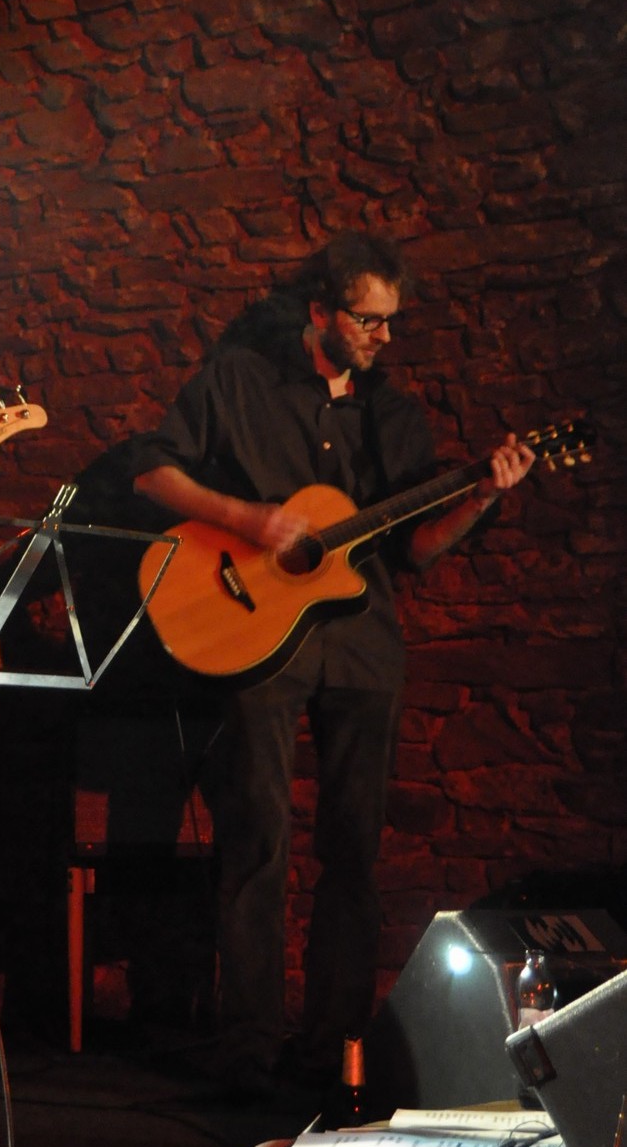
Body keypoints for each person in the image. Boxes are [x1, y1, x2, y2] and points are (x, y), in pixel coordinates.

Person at [132, 233, 534, 1101]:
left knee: (352, 852)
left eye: (391, 322)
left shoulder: (394, 420)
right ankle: (246, 1050)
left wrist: (480, 496)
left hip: (360, 649)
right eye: (366, 320)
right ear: (319, 311)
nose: (383, 336)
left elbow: (415, 550)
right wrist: (247, 518)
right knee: (255, 841)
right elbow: (152, 476)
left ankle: (334, 1055)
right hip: (253, 637)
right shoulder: (237, 382)